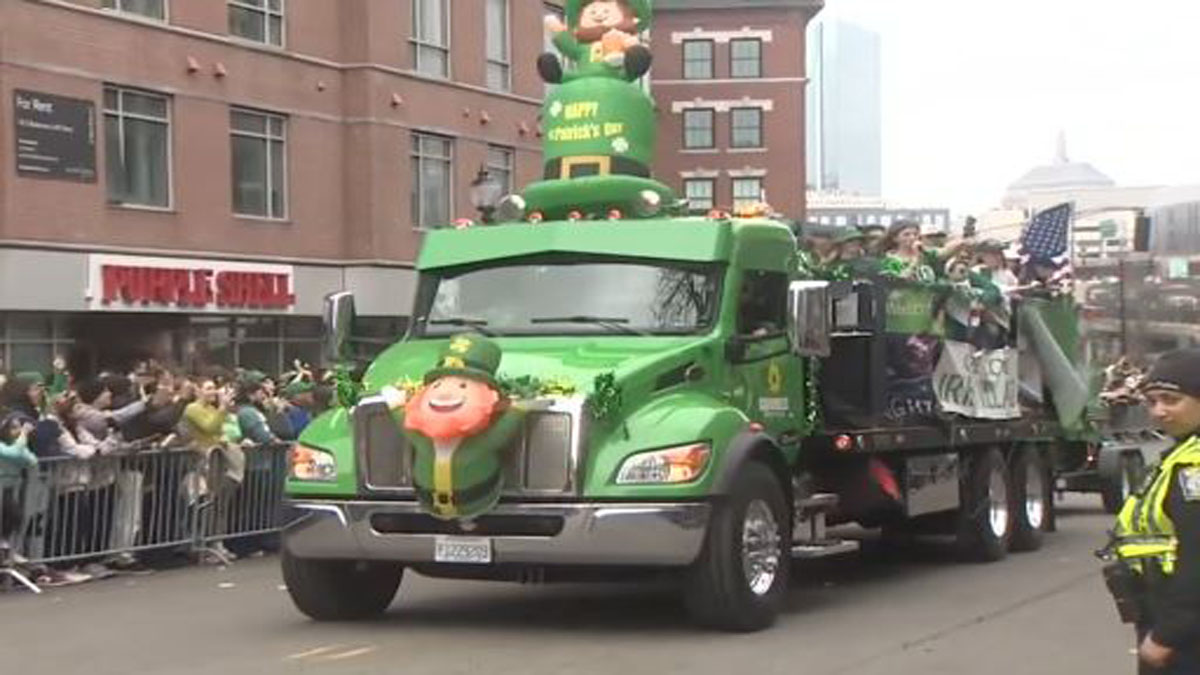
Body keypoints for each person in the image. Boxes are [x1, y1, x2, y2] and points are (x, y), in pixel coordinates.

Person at [1103, 349, 1200, 673]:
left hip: (1184, 636)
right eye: (1152, 400)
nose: (1159, 411)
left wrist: (1166, 636)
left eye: (1172, 400)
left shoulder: (1194, 466)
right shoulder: (1181, 452)